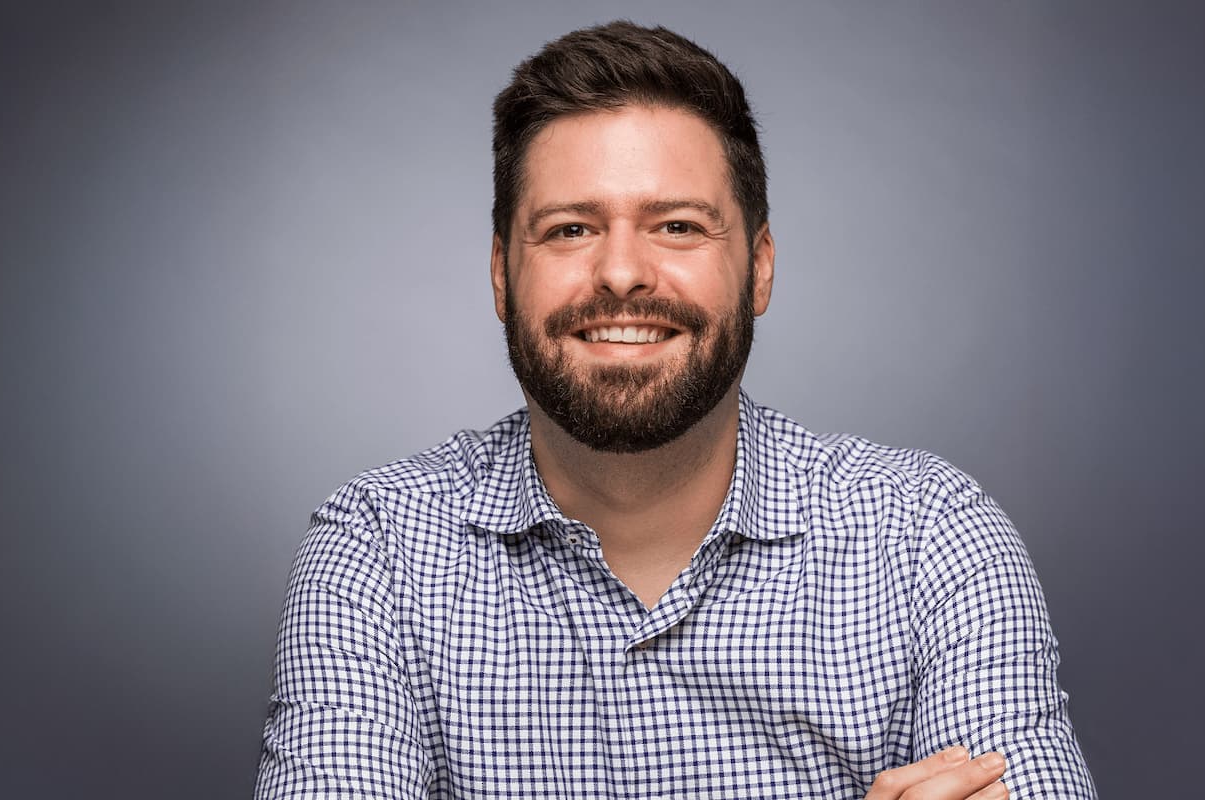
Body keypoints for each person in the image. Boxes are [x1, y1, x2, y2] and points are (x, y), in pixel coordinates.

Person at [256, 21, 1096, 800]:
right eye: (571, 230)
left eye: (680, 226)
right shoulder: (378, 551)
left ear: (759, 267)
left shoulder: (932, 540)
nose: (622, 273)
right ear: (501, 274)